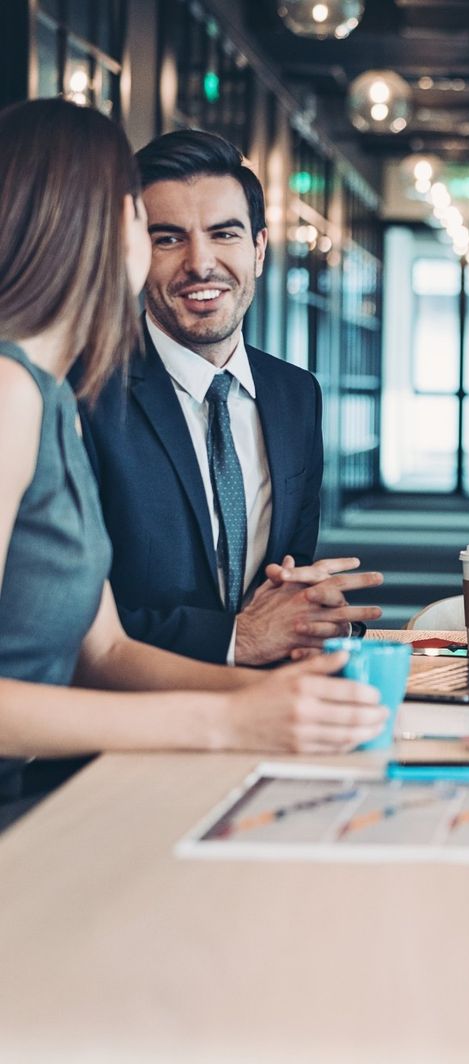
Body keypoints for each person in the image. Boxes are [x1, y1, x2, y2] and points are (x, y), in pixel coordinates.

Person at [0, 99, 385, 832]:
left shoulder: (44, 395)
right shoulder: (15, 391)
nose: (190, 258)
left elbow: (105, 647)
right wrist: (227, 719)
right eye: (147, 224)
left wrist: (287, 695)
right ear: (91, 224)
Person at [79, 130, 382, 666]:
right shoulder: (87, 395)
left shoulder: (296, 396)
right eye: (168, 238)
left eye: (224, 234)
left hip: (266, 704)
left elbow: (284, 579)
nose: (200, 264)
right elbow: (71, 620)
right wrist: (234, 639)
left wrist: (307, 608)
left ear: (259, 249)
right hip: (131, 720)